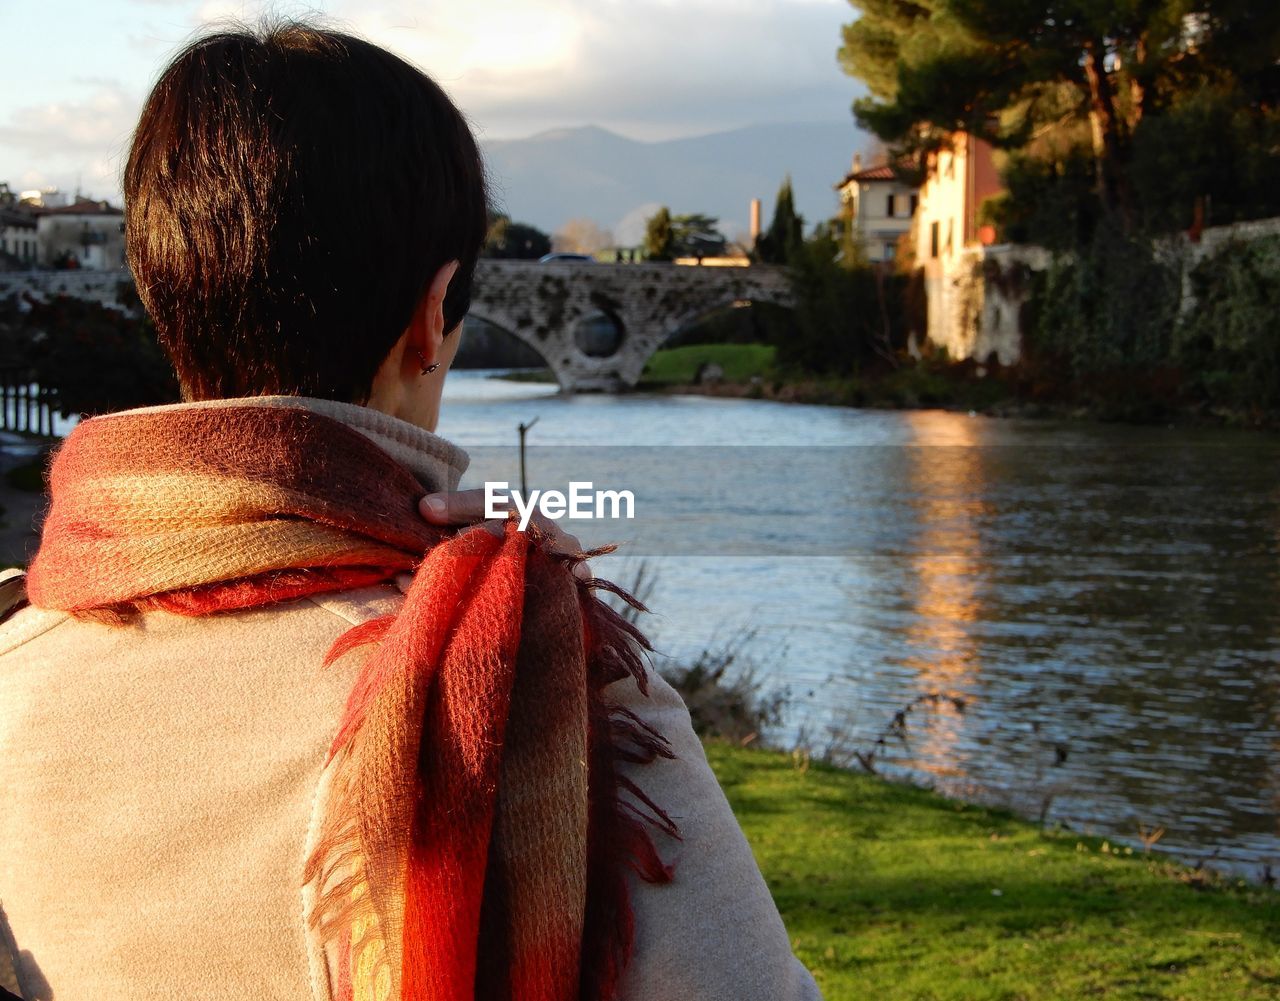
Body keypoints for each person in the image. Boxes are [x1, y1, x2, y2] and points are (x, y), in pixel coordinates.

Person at [0, 22, 823, 1001]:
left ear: (162, 291)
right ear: (433, 317)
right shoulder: (529, 685)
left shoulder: (17, 657)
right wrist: (555, 627)